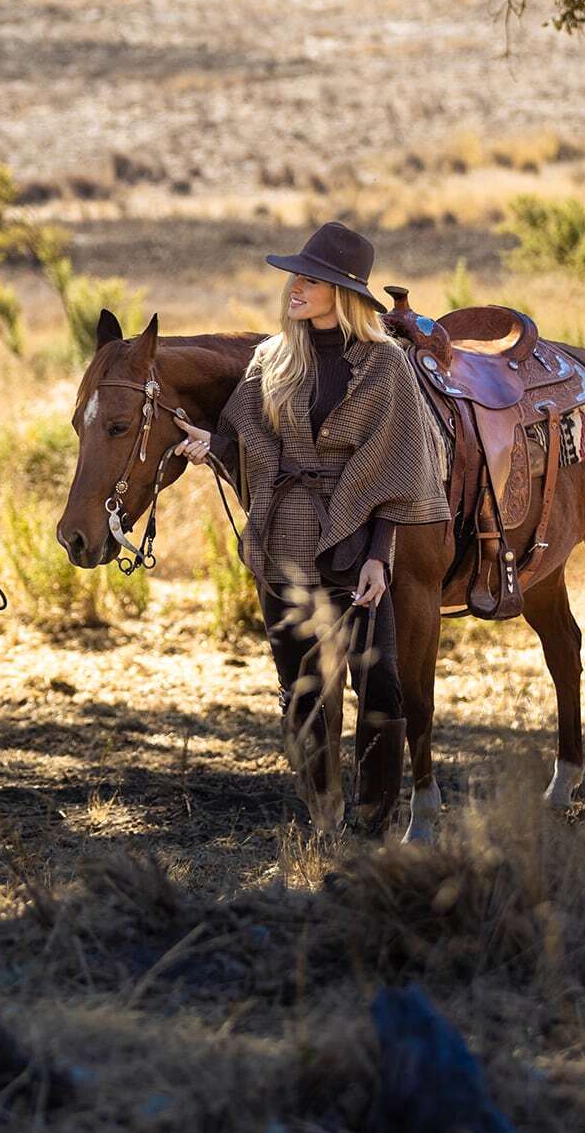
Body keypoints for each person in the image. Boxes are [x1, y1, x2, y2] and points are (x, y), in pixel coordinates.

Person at [173, 221, 446, 833]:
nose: (294, 288)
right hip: (283, 542)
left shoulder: (385, 364)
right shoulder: (271, 359)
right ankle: (324, 817)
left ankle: (374, 823)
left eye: (310, 280)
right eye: (295, 277)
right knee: (300, 689)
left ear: (342, 293)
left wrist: (379, 556)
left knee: (379, 685)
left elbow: (400, 464)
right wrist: (210, 446)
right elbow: (245, 442)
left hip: (353, 544)